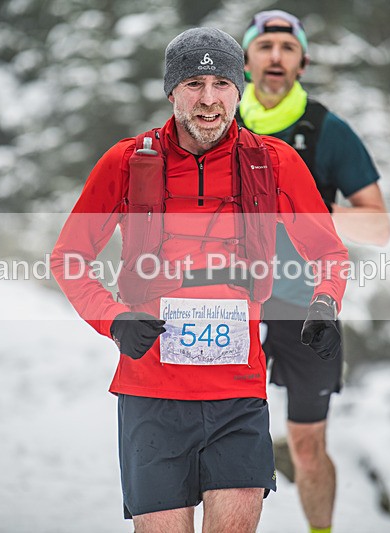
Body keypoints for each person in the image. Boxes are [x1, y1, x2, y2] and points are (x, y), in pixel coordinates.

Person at [51, 27, 349, 532]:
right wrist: (114, 318)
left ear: (240, 88)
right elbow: (69, 256)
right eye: (193, 83)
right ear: (171, 91)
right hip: (152, 394)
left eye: (221, 83)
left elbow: (329, 253)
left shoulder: (274, 162)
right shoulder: (126, 161)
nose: (208, 99)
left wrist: (324, 304)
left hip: (238, 392)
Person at [238, 10, 390, 533]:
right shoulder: (218, 121)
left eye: (287, 47)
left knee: (306, 445)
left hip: (308, 303)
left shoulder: (328, 129)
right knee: (227, 438)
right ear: (246, 60)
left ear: (303, 61)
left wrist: (313, 212)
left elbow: (380, 227)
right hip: (231, 303)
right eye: (265, 46)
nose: (276, 56)